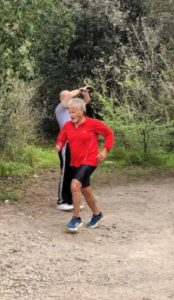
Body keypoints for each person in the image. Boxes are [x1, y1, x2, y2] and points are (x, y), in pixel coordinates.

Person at [56, 98, 114, 232]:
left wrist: (105, 149)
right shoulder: (68, 125)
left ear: (82, 111)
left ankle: (76, 218)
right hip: (75, 161)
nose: (71, 115)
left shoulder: (93, 124)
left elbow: (109, 134)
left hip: (90, 160)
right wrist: (59, 144)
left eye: (74, 112)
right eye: (70, 112)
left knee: (75, 185)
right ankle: (97, 214)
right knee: (85, 190)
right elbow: (62, 137)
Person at [54, 86, 92, 211]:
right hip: (66, 144)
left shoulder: (74, 109)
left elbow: (86, 101)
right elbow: (68, 96)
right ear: (63, 98)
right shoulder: (60, 108)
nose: (71, 97)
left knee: (74, 173)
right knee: (65, 172)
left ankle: (70, 200)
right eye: (68, 96)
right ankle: (62, 201)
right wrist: (80, 90)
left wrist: (85, 93)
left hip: (77, 145)